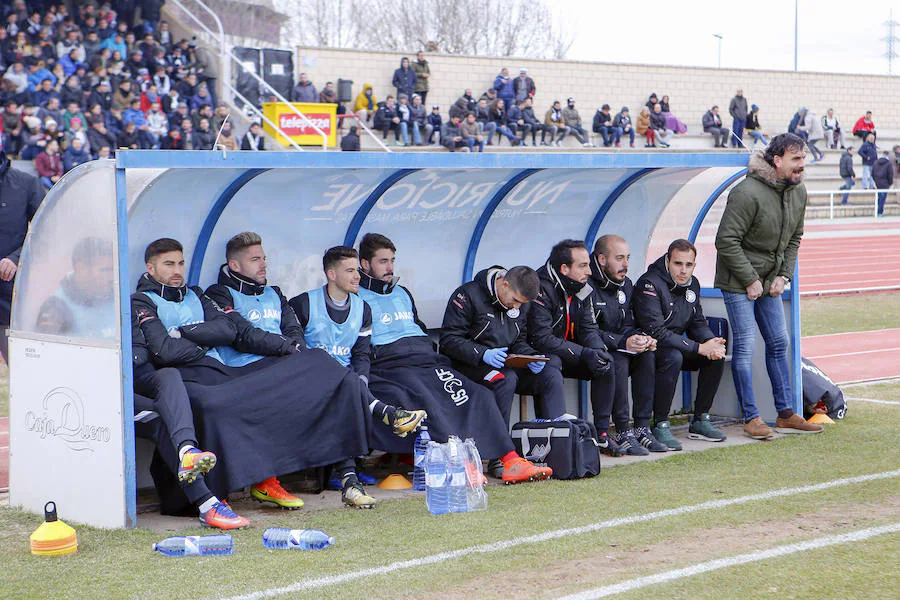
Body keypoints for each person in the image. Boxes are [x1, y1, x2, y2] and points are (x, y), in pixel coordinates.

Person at [132, 238, 377, 510]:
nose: (177, 270)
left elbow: (227, 331)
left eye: (180, 263)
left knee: (318, 361)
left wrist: (183, 332)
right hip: (187, 377)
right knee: (217, 407)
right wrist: (205, 340)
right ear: (150, 268)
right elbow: (164, 351)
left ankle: (337, 472)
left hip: (221, 370)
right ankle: (216, 492)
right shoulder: (142, 300)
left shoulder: (196, 293)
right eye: (168, 264)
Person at [205, 234, 425, 508]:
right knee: (328, 371)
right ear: (234, 266)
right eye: (255, 259)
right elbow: (244, 335)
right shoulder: (218, 294)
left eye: (264, 258)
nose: (264, 265)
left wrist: (294, 348)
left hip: (285, 368)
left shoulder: (274, 293)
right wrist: (292, 349)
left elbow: (294, 331)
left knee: (334, 381)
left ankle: (348, 480)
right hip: (245, 373)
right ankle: (380, 415)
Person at [356, 233, 552, 484]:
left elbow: (417, 325)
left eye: (392, 260)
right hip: (391, 362)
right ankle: (457, 463)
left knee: (478, 394)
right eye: (383, 261)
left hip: (425, 358)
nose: (390, 267)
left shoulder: (402, 292)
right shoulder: (357, 296)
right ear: (365, 264)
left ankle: (510, 459)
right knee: (430, 400)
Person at [288, 245, 428, 491]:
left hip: (347, 379)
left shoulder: (363, 308)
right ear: (331, 275)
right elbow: (294, 347)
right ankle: (387, 415)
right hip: (310, 376)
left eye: (357, 270)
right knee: (345, 387)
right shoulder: (303, 304)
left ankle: (348, 474)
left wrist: (362, 378)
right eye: (350, 270)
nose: (357, 276)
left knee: (353, 386)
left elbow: (361, 354)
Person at [715, 133, 824, 438]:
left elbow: (794, 239)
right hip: (738, 280)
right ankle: (751, 417)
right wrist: (750, 280)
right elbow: (726, 241)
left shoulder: (798, 192)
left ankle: (786, 414)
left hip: (769, 281)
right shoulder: (746, 193)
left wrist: (784, 276)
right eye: (796, 160)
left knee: (779, 342)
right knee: (746, 345)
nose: (802, 166)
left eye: (803, 159)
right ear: (777, 161)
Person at [440, 265, 569, 476]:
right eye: (515, 300)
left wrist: (530, 357)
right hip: (468, 365)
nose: (516, 306)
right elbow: (448, 341)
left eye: (521, 304)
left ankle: (557, 448)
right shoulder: (468, 294)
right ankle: (499, 455)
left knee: (550, 371)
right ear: (504, 283)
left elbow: (519, 340)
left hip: (505, 363)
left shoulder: (520, 303)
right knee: (504, 379)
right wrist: (482, 353)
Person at [526, 240, 622, 457]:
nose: (589, 271)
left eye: (588, 265)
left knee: (605, 362)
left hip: (569, 351)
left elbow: (589, 327)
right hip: (541, 354)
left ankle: (602, 434)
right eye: (583, 266)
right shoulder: (541, 288)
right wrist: (584, 353)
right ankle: (554, 436)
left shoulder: (582, 287)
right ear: (564, 269)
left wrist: (596, 351)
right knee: (552, 362)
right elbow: (541, 338)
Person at [633, 239, 727, 450]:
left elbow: (697, 321)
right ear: (667, 261)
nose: (683, 270)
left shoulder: (692, 284)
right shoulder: (649, 283)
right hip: (649, 346)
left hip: (677, 344)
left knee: (715, 356)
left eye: (689, 265)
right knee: (673, 357)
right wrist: (697, 347)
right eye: (678, 264)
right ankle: (660, 423)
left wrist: (711, 341)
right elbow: (655, 330)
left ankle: (700, 420)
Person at [587, 235, 667, 455]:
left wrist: (640, 338)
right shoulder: (587, 286)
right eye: (619, 258)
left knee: (647, 355)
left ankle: (642, 427)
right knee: (619, 360)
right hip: (592, 350)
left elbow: (629, 324)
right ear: (602, 259)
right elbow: (587, 331)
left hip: (619, 345)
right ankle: (622, 430)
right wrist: (624, 342)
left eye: (628, 258)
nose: (625, 265)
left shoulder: (626, 284)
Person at [873, 151, 894, 216]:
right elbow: (890, 174)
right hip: (885, 183)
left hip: (878, 182)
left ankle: (877, 211)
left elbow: (872, 172)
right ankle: (879, 212)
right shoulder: (888, 163)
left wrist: (875, 180)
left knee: (879, 197)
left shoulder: (876, 162)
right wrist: (890, 183)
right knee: (882, 198)